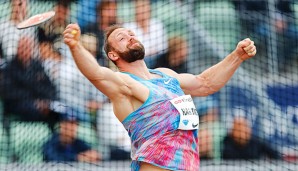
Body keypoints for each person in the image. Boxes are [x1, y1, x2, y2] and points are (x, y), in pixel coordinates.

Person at [63, 23, 256, 170]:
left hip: (188, 164)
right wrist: (75, 46)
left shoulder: (167, 75)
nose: (130, 37)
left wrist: (237, 56)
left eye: (131, 34)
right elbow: (96, 73)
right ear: (113, 55)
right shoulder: (124, 83)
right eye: (122, 38)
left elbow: (206, 83)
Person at [0, 36, 59, 132]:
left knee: (59, 112)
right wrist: (35, 102)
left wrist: (47, 101)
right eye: (23, 47)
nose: (25, 50)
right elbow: (9, 93)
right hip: (18, 105)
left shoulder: (37, 65)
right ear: (18, 49)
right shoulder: (9, 67)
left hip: (42, 104)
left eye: (28, 47)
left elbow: (49, 87)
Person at [123, 0, 168, 68]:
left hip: (159, 61)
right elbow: (131, 51)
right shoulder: (128, 27)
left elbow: (164, 47)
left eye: (145, 7)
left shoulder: (157, 24)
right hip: (138, 62)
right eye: (139, 7)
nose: (142, 10)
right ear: (135, 9)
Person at [82, 0, 118, 67]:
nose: (112, 13)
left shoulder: (117, 29)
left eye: (114, 10)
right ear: (101, 11)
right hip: (92, 62)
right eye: (109, 10)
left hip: (111, 64)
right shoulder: (90, 28)